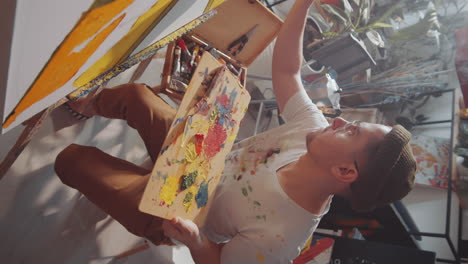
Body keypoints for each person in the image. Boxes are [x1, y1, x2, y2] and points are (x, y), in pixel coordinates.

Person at [55, 0, 417, 263]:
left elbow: (218, 262)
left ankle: (123, 189)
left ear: (345, 172)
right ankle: (87, 107)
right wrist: (303, 3)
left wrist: (194, 241)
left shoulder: (282, 238)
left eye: (350, 131)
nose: (338, 120)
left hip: (176, 210)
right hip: (198, 151)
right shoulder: (314, 127)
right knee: (136, 95)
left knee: (72, 160)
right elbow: (289, 72)